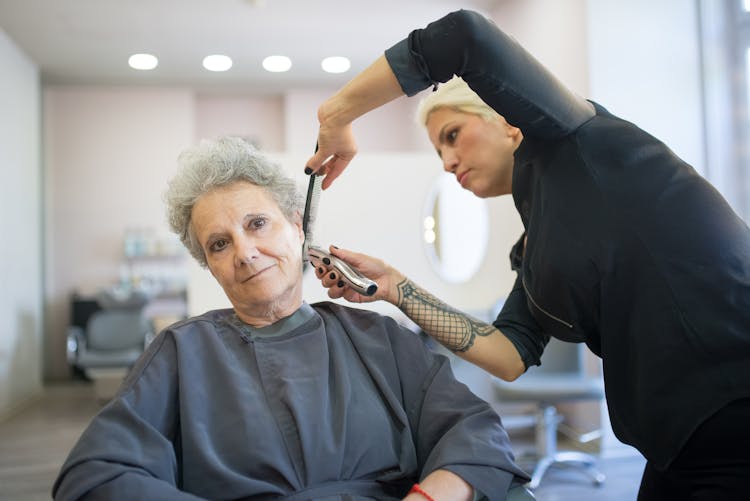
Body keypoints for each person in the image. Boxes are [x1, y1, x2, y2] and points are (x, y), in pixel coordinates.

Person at [304, 9, 750, 500]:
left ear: (509, 121)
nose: (449, 161)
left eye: (452, 135)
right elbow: (509, 353)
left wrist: (338, 114)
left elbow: (462, 36)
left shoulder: (580, 139)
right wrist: (395, 287)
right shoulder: (535, 248)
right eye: (438, 153)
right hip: (679, 445)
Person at [51, 136, 530, 501]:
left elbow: (473, 430)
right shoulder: (182, 353)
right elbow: (96, 474)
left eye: (257, 224)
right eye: (219, 244)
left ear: (298, 228)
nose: (244, 252)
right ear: (210, 266)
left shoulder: (378, 338)